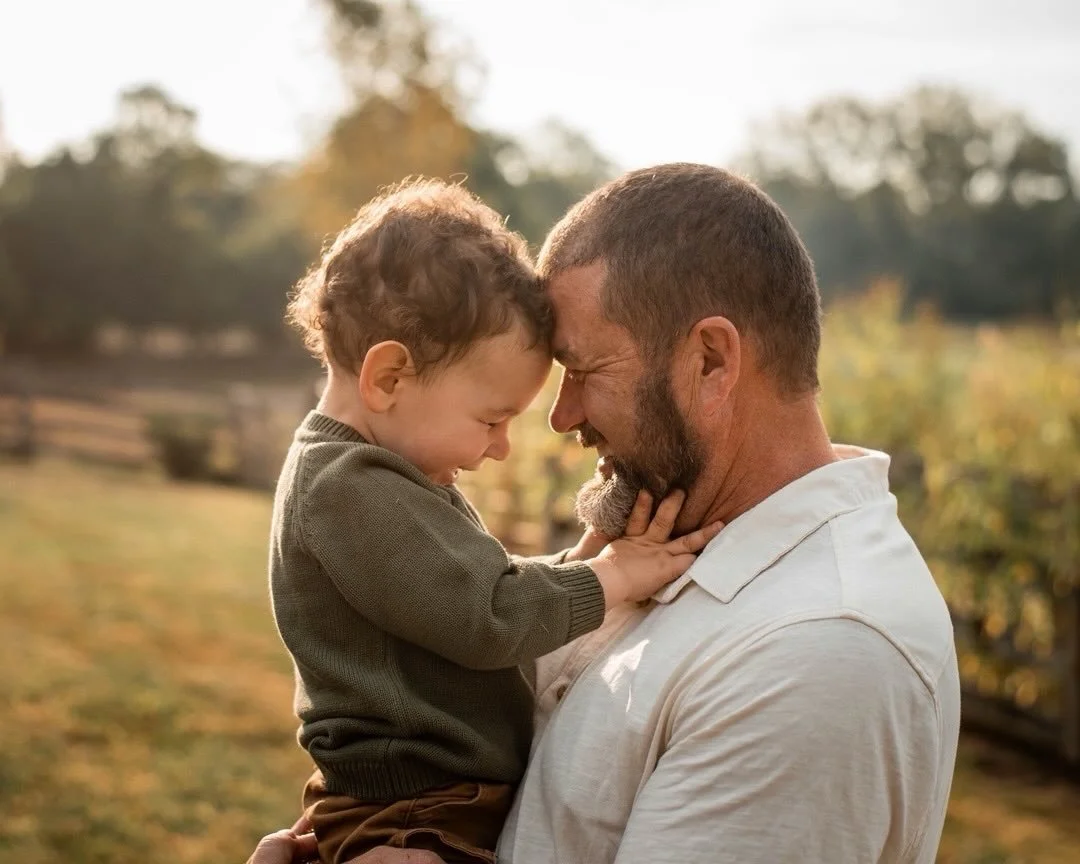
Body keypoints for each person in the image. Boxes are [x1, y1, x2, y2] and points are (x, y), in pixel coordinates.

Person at [255, 162, 961, 863]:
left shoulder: (819, 653)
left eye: (582, 370)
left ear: (711, 362)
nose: (559, 418)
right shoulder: (669, 546)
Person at [268, 178, 723, 864]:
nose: (502, 446)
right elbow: (488, 616)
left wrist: (587, 565)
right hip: (410, 819)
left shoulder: (372, 476)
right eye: (492, 418)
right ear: (389, 377)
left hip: (435, 806)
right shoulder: (348, 488)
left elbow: (474, 591)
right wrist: (611, 576)